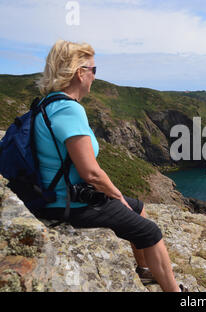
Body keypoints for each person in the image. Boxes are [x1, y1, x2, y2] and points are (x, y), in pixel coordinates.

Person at [35, 40, 184, 292]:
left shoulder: (48, 103)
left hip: (57, 195)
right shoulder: (70, 110)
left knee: (139, 207)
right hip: (68, 203)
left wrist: (124, 202)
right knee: (151, 231)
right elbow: (91, 173)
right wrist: (117, 198)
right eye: (94, 69)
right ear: (80, 72)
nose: (95, 76)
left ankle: (146, 270)